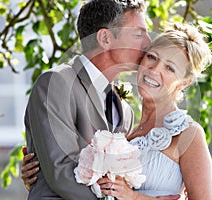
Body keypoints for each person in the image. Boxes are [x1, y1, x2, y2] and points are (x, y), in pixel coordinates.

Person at [22, 22, 212, 199]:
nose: (154, 70)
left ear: (184, 83)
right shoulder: (123, 125)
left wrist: (134, 197)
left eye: (170, 68)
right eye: (151, 57)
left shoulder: (188, 134)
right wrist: (41, 175)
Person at [23, 0, 151, 199]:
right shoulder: (56, 83)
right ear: (105, 38)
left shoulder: (125, 111)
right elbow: (61, 172)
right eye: (138, 34)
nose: (148, 43)